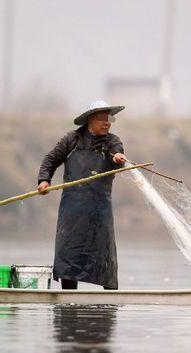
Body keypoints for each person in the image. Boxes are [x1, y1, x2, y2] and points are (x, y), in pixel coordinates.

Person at [37, 100, 127, 290]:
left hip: (100, 213)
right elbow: (50, 160)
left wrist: (117, 157)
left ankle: (109, 302)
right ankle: (68, 299)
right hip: (72, 212)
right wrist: (44, 180)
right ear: (90, 120)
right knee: (69, 257)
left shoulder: (112, 141)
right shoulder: (72, 139)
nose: (107, 123)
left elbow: (116, 154)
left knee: (104, 257)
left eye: (109, 118)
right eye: (102, 118)